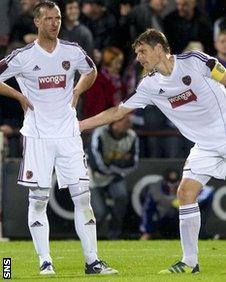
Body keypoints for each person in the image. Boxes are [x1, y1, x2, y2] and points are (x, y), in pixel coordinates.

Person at [80, 28, 226, 274]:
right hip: (205, 147)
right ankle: (190, 262)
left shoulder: (195, 61)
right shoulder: (149, 85)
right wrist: (81, 125)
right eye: (137, 53)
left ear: (159, 48)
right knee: (186, 192)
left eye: (142, 51)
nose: (138, 58)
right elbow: (118, 111)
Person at [0, 0, 117, 276]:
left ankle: (93, 261)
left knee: (83, 196)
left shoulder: (72, 51)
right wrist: (18, 95)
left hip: (68, 132)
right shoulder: (23, 55)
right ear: (37, 22)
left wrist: (76, 92)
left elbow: (91, 72)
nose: (55, 23)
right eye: (49, 18)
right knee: (39, 199)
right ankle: (45, 261)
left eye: (58, 18)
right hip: (38, 134)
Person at [88, 114, 139, 239]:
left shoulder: (132, 136)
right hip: (94, 177)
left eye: (129, 122)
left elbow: (133, 163)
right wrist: (119, 164)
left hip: (115, 176)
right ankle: (91, 237)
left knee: (121, 197)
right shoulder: (100, 133)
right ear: (115, 122)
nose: (129, 124)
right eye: (125, 121)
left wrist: (113, 166)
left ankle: (114, 233)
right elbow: (95, 163)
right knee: (100, 212)